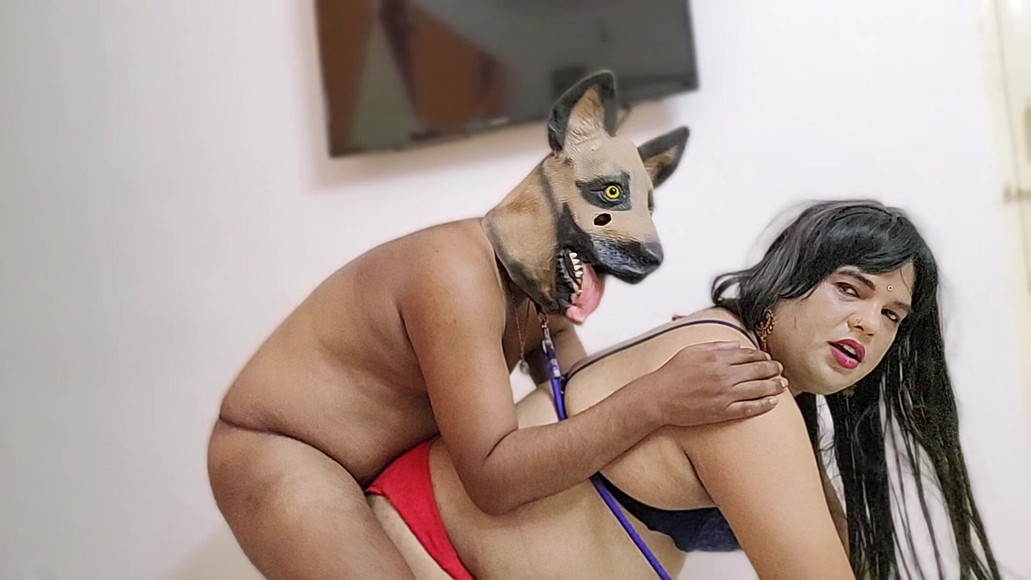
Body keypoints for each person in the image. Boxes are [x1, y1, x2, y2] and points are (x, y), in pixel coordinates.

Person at [206, 71, 785, 579]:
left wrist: (659, 359)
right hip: (288, 449)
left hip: (401, 464)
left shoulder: (535, 290)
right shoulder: (456, 276)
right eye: (610, 196)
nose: (642, 238)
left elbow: (577, 389)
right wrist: (656, 398)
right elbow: (494, 480)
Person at [368, 200, 999, 579]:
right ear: (787, 277)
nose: (868, 323)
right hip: (416, 551)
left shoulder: (746, 373)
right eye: (849, 289)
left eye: (892, 315)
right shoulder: (738, 384)